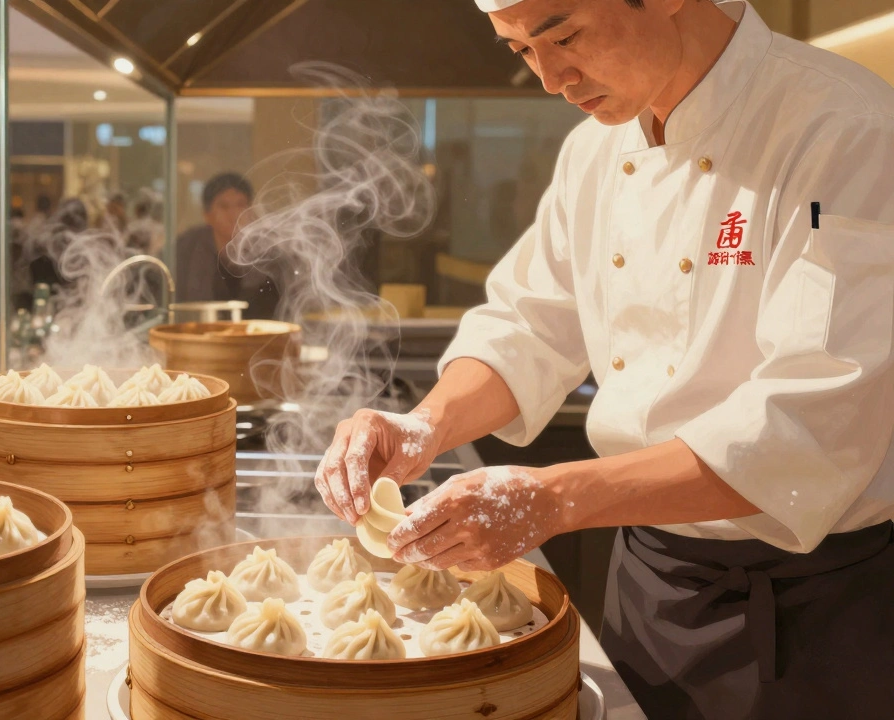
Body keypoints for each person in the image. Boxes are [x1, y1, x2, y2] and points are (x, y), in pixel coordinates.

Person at [315, 1, 894, 718]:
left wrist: (554, 499)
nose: (553, 78)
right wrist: (424, 426)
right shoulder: (597, 148)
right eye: (521, 51)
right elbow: (530, 324)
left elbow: (811, 418)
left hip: (811, 610)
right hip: (645, 585)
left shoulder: (842, 126)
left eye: (564, 34)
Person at [175, 173, 280, 319]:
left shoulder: (268, 252)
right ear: (207, 215)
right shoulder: (187, 249)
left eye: (240, 205)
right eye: (224, 206)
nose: (234, 214)